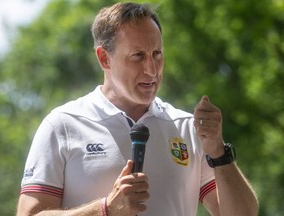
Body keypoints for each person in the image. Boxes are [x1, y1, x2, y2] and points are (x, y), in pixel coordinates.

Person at [16, 2, 259, 216]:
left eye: (157, 54)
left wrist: (218, 151)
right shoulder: (63, 124)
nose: (151, 70)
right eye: (137, 55)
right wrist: (106, 210)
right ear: (104, 58)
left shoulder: (187, 127)